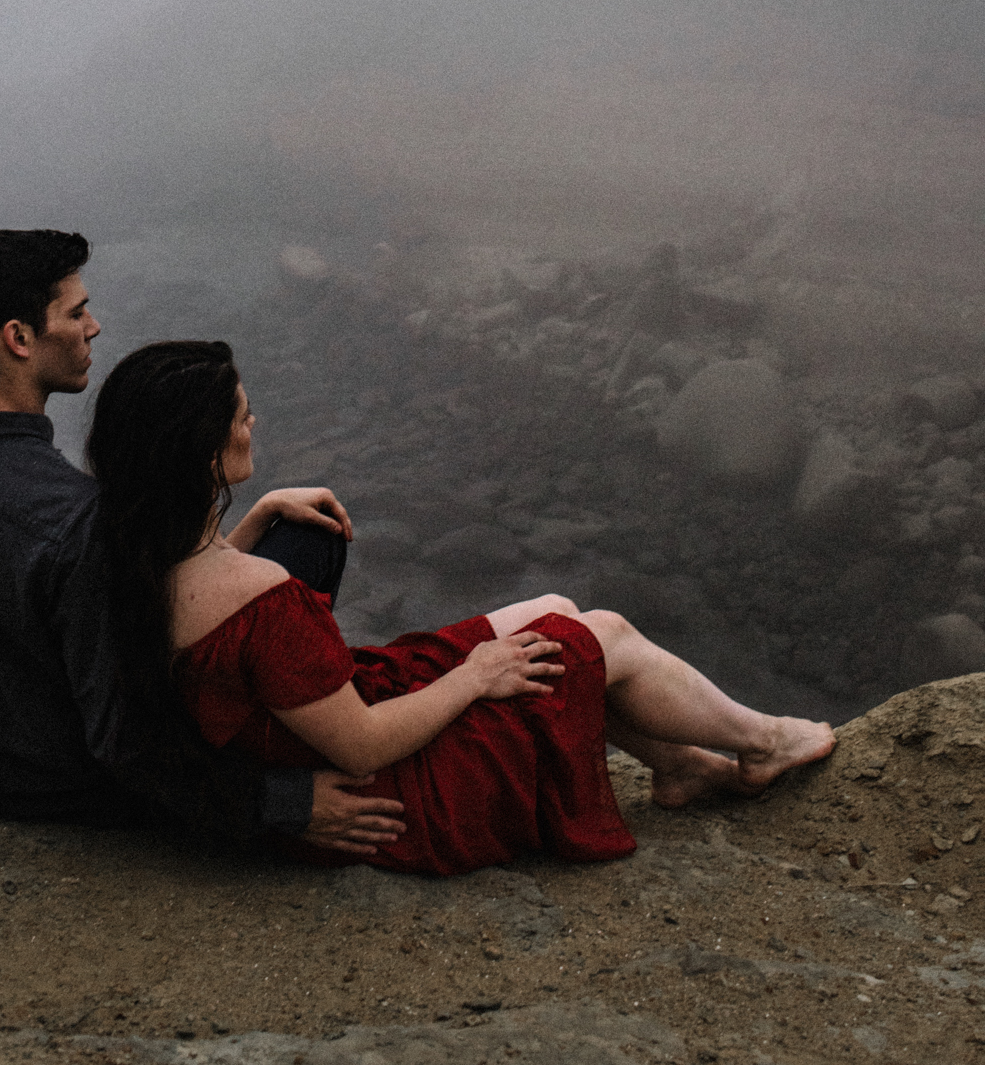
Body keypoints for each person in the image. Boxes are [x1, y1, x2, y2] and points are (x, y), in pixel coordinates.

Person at [87, 339, 838, 877]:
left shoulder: (130, 555)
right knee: (595, 634)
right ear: (198, 451)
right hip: (377, 798)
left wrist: (251, 525)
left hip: (293, 738)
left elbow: (215, 618)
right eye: (242, 417)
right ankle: (762, 740)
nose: (254, 424)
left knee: (552, 606)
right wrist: (475, 675)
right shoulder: (260, 598)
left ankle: (674, 765)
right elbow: (363, 747)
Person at [0, 228, 404, 856]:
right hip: (78, 793)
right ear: (18, 339)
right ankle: (311, 732)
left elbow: (124, 609)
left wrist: (254, 519)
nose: (94, 327)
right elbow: (126, 741)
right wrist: (288, 805)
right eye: (75, 314)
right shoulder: (72, 517)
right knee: (311, 548)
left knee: (289, 536)